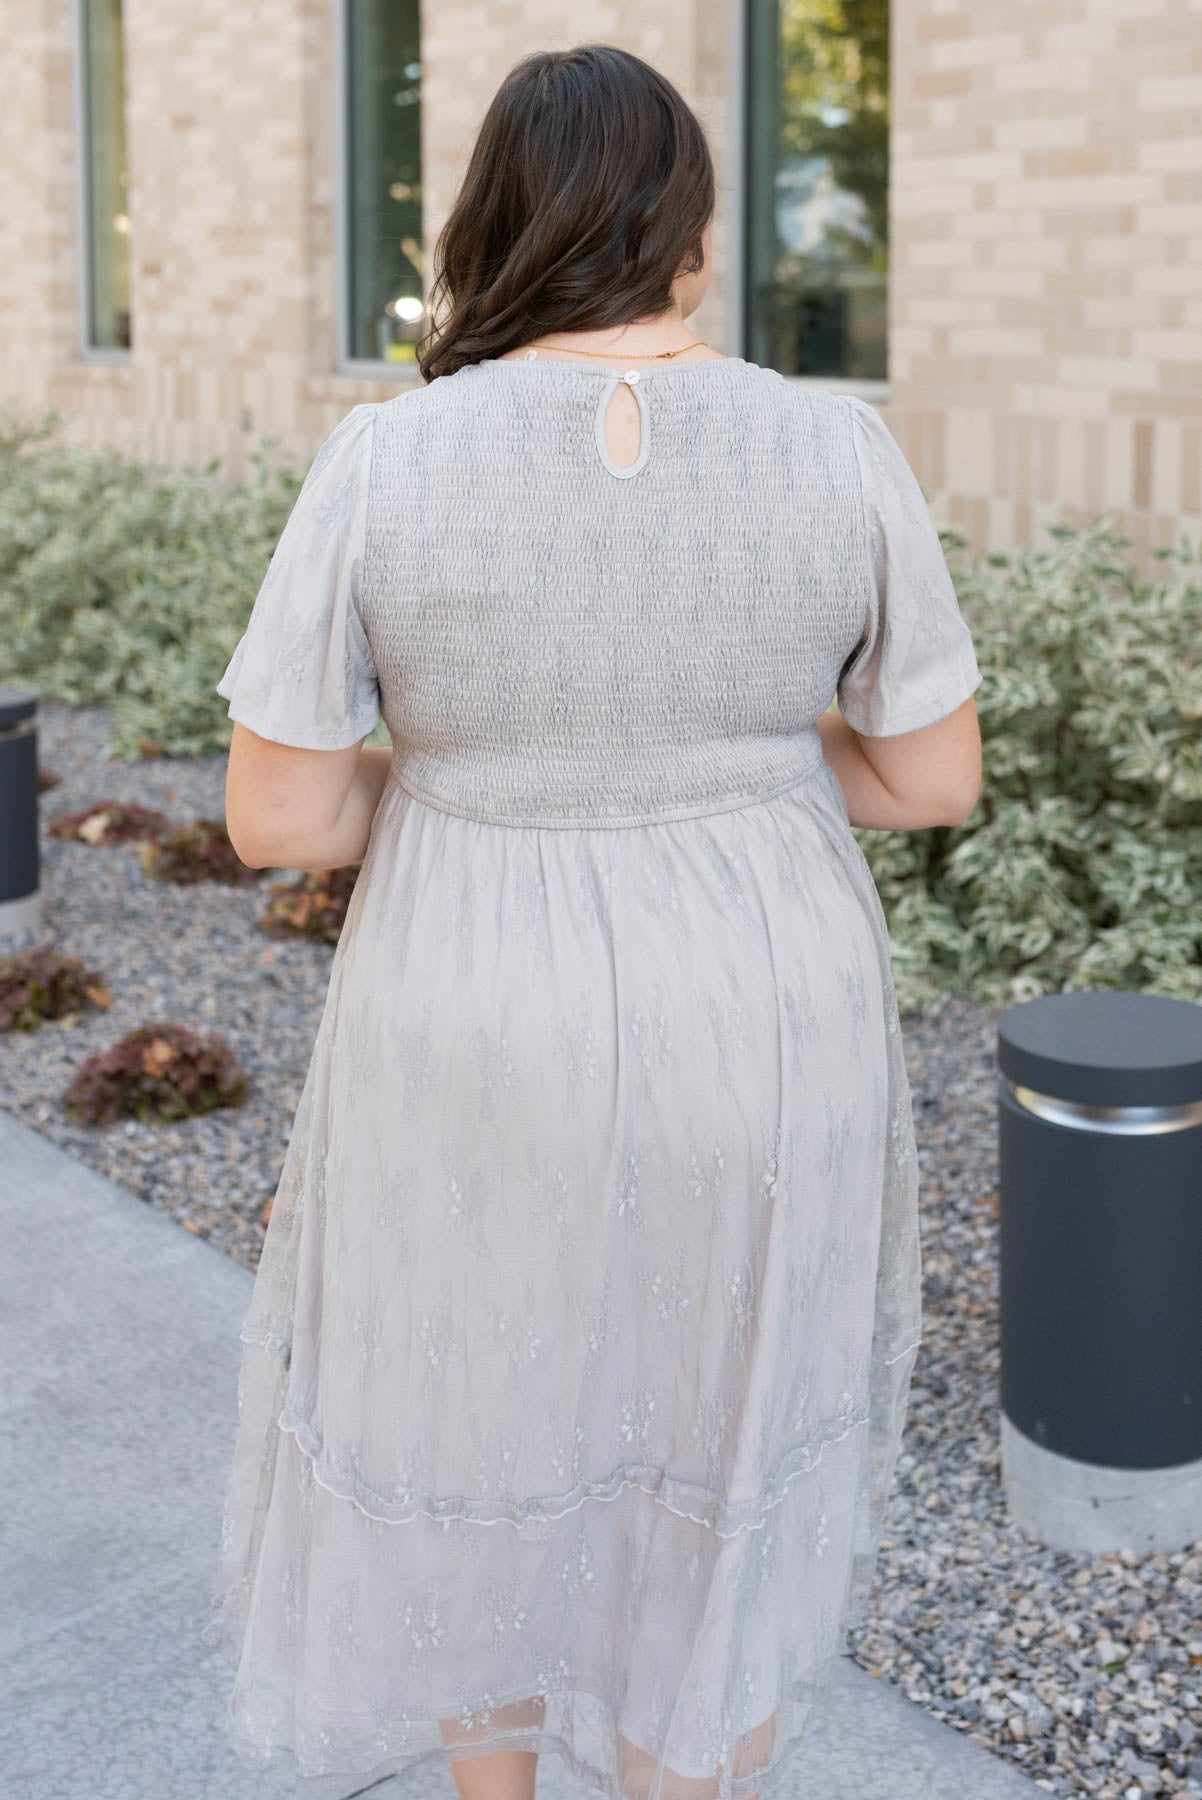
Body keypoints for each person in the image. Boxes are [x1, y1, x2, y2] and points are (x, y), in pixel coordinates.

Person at [205, 40, 983, 1800]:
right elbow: (934, 780)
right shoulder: (833, 448)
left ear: (487, 226)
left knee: (471, 1398)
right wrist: (735, 770)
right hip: (765, 999)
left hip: (471, 996)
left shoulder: (387, 461)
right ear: (692, 234)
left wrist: (492, 784)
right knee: (724, 1417)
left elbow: (280, 819)